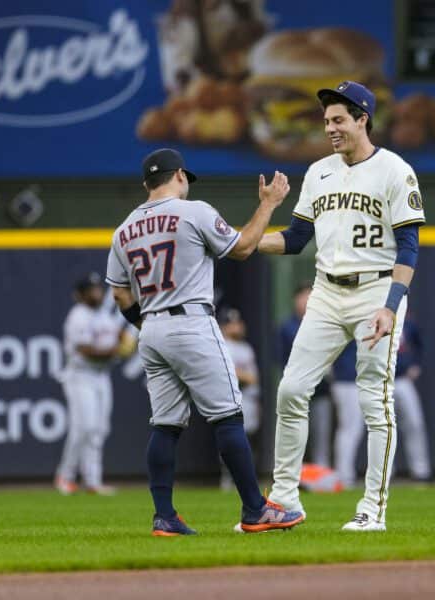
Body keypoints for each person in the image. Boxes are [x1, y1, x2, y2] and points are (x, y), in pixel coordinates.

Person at [106, 147, 304, 536]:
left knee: (164, 425)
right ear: (178, 175)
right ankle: (255, 509)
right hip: (191, 322)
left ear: (148, 182)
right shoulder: (193, 211)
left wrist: (145, 324)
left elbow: (119, 295)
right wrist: (268, 205)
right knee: (228, 416)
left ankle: (164, 515)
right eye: (185, 177)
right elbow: (244, 247)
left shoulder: (124, 229)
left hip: (153, 328)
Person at [256, 80, 426, 531]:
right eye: (326, 120)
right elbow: (294, 240)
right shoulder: (318, 172)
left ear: (362, 118)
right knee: (291, 389)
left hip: (376, 289)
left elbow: (409, 247)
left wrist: (391, 306)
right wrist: (248, 239)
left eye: (338, 119)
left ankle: (372, 508)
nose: (329, 127)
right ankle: (285, 501)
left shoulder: (394, 170)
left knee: (375, 401)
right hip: (327, 292)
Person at [55, 273, 135, 496]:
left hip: (101, 376)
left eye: (98, 289)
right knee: (84, 427)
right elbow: (85, 350)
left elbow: (117, 334)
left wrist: (125, 341)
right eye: (90, 290)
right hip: (80, 376)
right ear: (79, 295)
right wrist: (116, 351)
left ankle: (93, 480)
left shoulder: (103, 316)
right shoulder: (78, 316)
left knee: (99, 429)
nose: (96, 293)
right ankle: (66, 476)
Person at [278, 283, 333, 467]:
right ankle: (293, 473)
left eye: (310, 295)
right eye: (303, 296)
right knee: (294, 432)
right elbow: (280, 359)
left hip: (321, 389)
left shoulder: (326, 323)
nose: (307, 300)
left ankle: (321, 472)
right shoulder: (287, 327)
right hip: (297, 387)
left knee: (321, 433)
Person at [217, 307, 261, 490]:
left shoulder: (246, 347)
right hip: (232, 399)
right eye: (231, 323)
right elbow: (228, 373)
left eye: (238, 322)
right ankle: (228, 479)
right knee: (232, 439)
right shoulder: (222, 345)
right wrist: (244, 377)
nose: (236, 326)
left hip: (250, 398)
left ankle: (244, 479)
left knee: (249, 441)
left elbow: (254, 378)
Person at [393, 314, 433, 483]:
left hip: (402, 379)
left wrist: (415, 364)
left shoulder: (407, 323)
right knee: (382, 428)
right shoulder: (373, 318)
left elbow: (419, 345)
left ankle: (421, 471)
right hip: (379, 380)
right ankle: (384, 474)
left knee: (415, 424)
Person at [330, 342, 363, 489]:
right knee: (350, 429)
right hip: (347, 380)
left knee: (352, 429)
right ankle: (344, 475)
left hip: (353, 379)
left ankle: (345, 475)